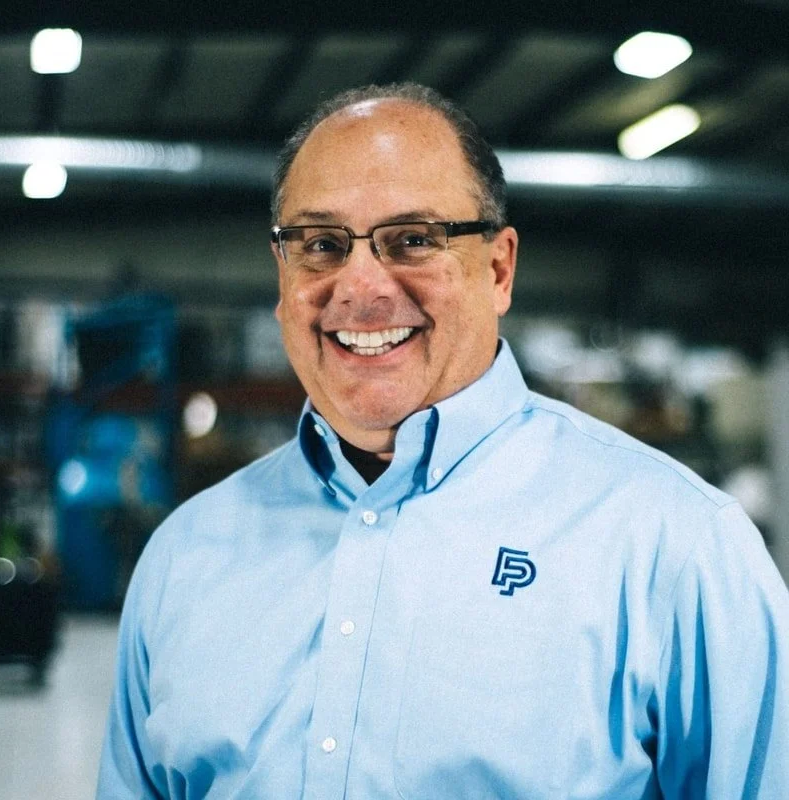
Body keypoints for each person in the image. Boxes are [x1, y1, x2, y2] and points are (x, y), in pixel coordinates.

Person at [97, 82, 789, 799]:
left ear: (498, 269)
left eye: (414, 239)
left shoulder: (672, 547)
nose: (360, 286)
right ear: (283, 276)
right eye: (323, 245)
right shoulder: (185, 557)